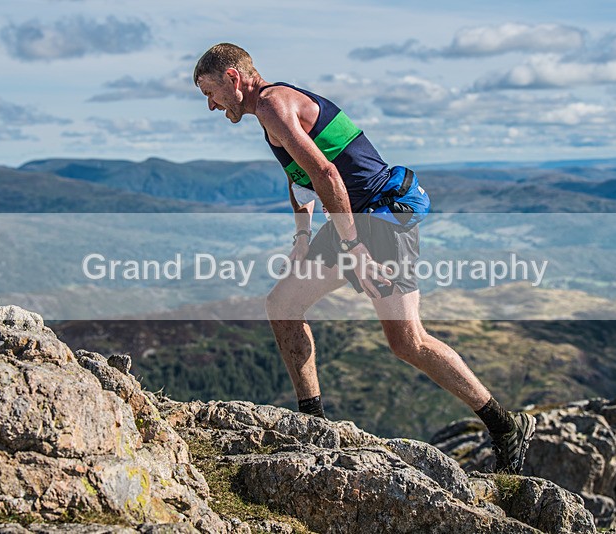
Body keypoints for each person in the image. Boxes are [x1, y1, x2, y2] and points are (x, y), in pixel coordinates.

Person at [193, 42, 535, 473]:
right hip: (354, 219)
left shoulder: (273, 105)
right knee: (284, 305)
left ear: (232, 77)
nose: (210, 105)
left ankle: (504, 426)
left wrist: (355, 249)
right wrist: (303, 236)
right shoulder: (270, 108)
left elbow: (326, 174)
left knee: (408, 341)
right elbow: (299, 177)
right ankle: (313, 424)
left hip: (377, 219)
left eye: (210, 92)